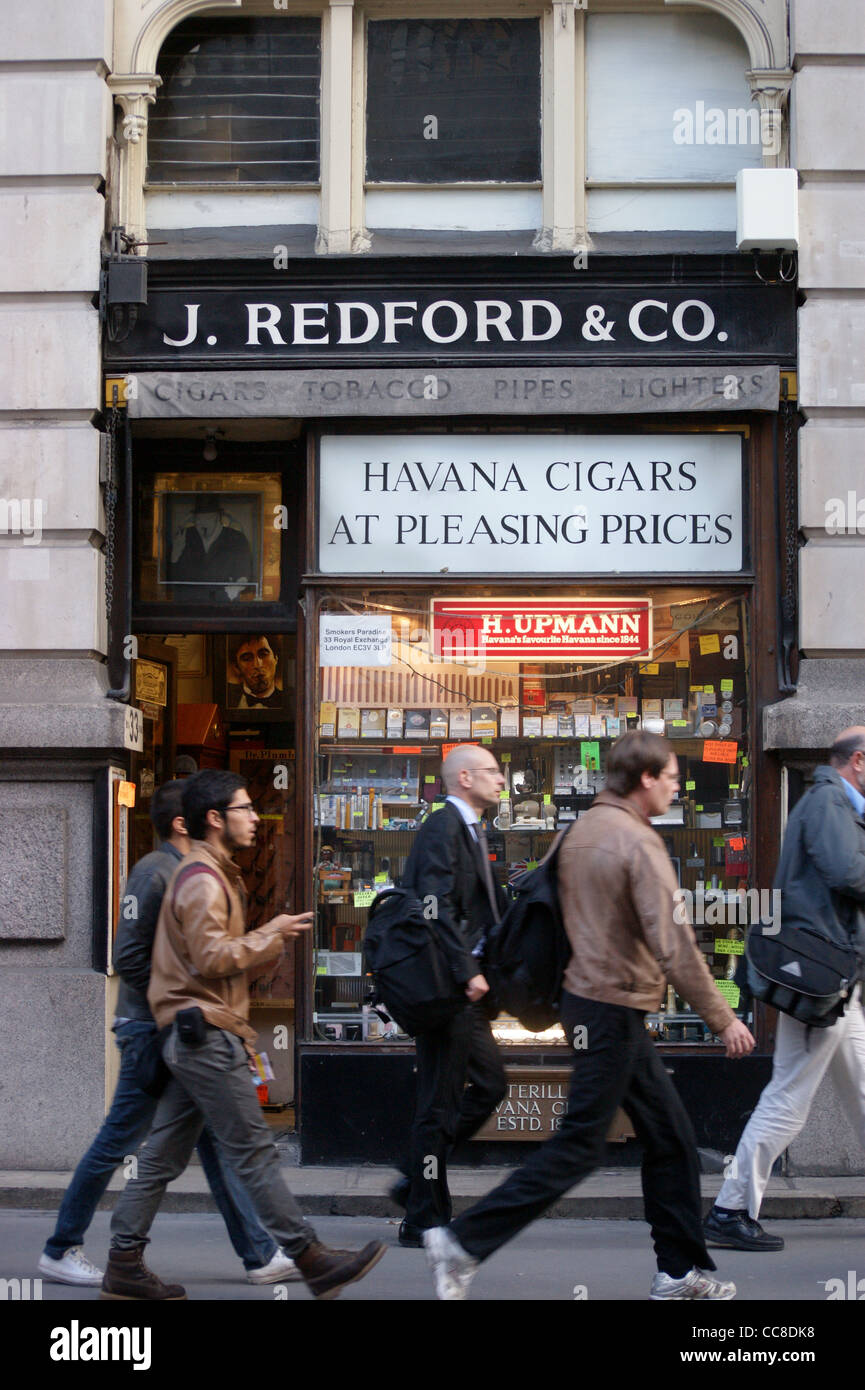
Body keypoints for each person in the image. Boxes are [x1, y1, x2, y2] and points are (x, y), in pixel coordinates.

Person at [423, 730, 755, 1300]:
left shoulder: (580, 830)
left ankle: (678, 1272)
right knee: (581, 1144)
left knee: (670, 1136)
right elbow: (672, 942)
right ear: (646, 779)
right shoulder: (635, 840)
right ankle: (464, 1241)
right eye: (671, 776)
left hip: (592, 1002)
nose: (677, 786)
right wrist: (722, 1017)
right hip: (612, 1005)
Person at [101, 770, 385, 1300]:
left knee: (161, 1155)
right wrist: (270, 935)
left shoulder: (206, 873)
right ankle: (310, 1258)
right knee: (252, 1150)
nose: (256, 817)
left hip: (194, 1033)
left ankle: (122, 1264)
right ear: (215, 819)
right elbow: (212, 957)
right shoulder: (204, 880)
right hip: (205, 1034)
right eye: (245, 808)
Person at [37, 781, 296, 1288]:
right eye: (229, 811)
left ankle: (259, 1253)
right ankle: (63, 1246)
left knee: (215, 1143)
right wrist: (172, 1004)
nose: (242, 818)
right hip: (151, 1028)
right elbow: (131, 955)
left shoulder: (196, 871)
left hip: (182, 1027)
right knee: (122, 1142)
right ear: (188, 823)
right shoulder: (158, 871)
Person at [704, 727, 865, 1252]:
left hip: (836, 977)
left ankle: (732, 1208)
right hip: (822, 979)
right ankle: (730, 1209)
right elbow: (846, 872)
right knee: (789, 1098)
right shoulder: (827, 802)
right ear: (858, 761)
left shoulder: (836, 803)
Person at [392, 745, 508, 1247]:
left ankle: (417, 1179)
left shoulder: (474, 829)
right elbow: (431, 905)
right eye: (492, 772)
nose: (501, 780)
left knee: (488, 1086)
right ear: (464, 777)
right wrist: (466, 971)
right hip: (446, 987)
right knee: (438, 1106)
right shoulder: (443, 826)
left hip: (466, 989)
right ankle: (423, 1217)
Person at [227, 634, 283, 710]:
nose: (257, 665)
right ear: (237, 667)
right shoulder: (228, 697)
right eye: (247, 658)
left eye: (263, 654)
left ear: (275, 658)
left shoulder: (290, 699)